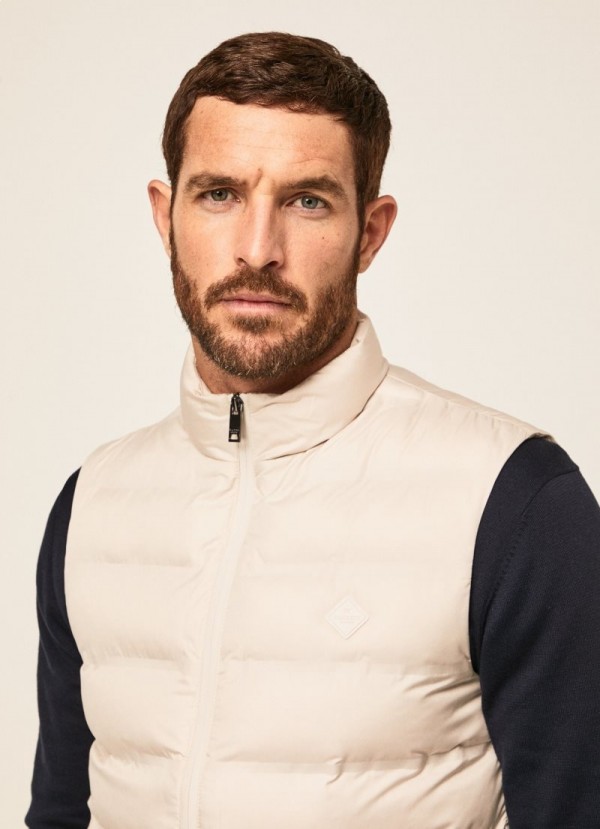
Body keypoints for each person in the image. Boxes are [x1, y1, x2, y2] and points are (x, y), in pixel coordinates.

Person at [26, 31, 600, 829]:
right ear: (165, 215)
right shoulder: (94, 503)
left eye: (307, 201)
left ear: (371, 231)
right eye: (219, 193)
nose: (257, 250)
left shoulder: (514, 500)